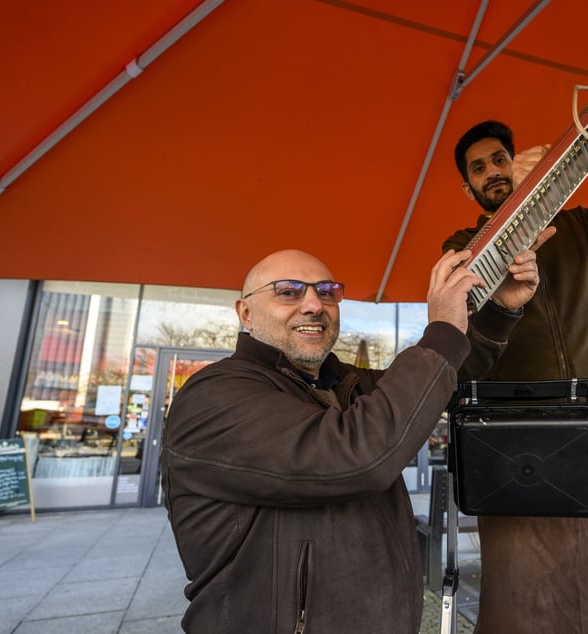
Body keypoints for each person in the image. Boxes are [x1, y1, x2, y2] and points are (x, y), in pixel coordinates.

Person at [161, 241, 548, 633]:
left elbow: (439, 384)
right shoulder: (212, 396)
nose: (314, 304)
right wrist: (442, 327)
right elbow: (359, 456)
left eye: (327, 291)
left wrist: (500, 312)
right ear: (245, 311)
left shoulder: (348, 383)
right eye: (288, 291)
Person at [442, 59, 588, 632]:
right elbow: (467, 291)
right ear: (468, 185)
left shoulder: (583, 229)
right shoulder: (460, 243)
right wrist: (517, 209)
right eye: (479, 168)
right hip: (508, 421)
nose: (493, 171)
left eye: (501, 159)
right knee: (524, 571)